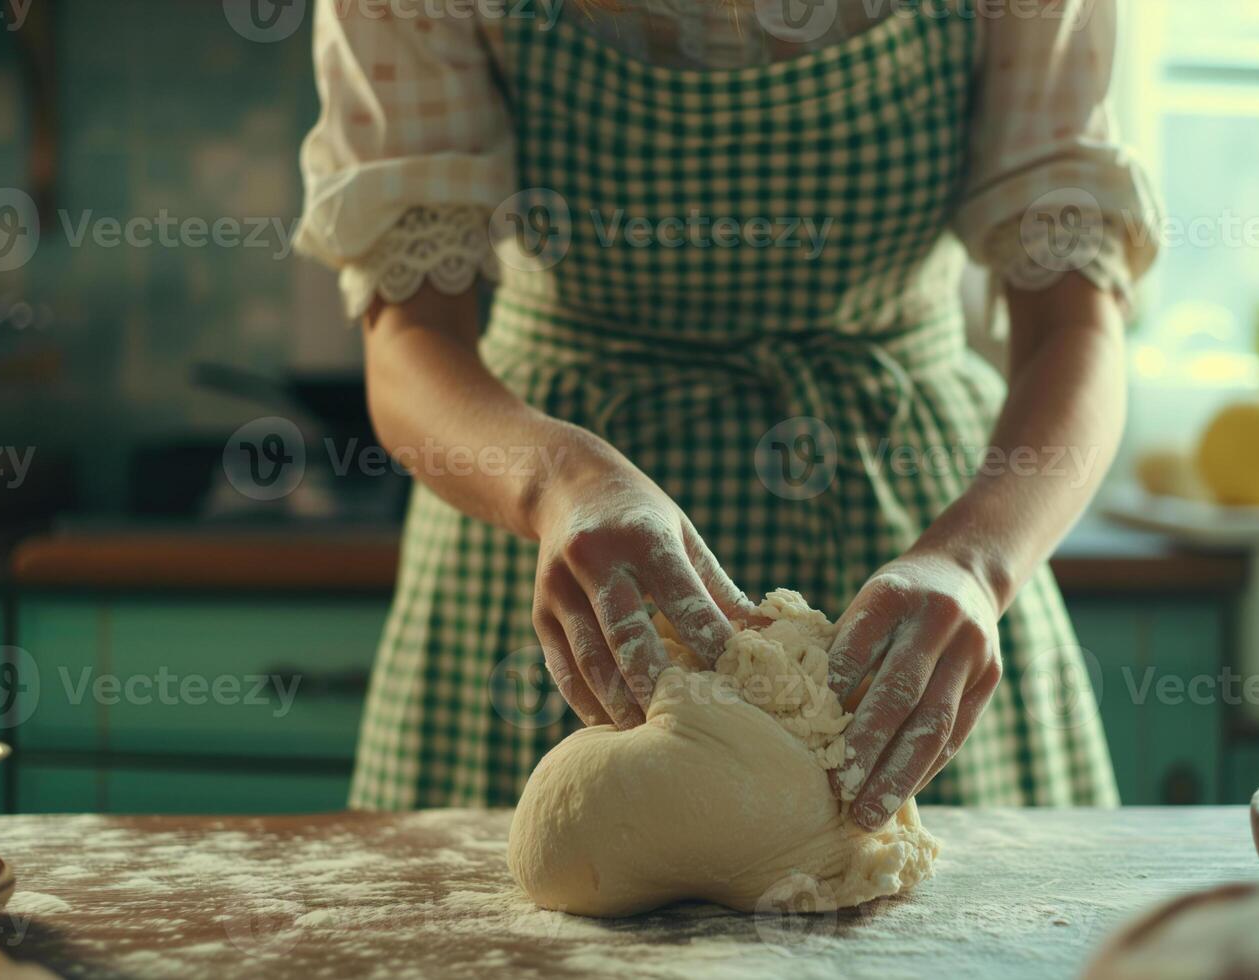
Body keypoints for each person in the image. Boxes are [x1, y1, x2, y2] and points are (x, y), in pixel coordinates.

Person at [295, 0, 1159, 829]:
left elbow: (1074, 329)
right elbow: (409, 348)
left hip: (920, 554)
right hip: (565, 562)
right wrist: (562, 484)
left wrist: (975, 563)